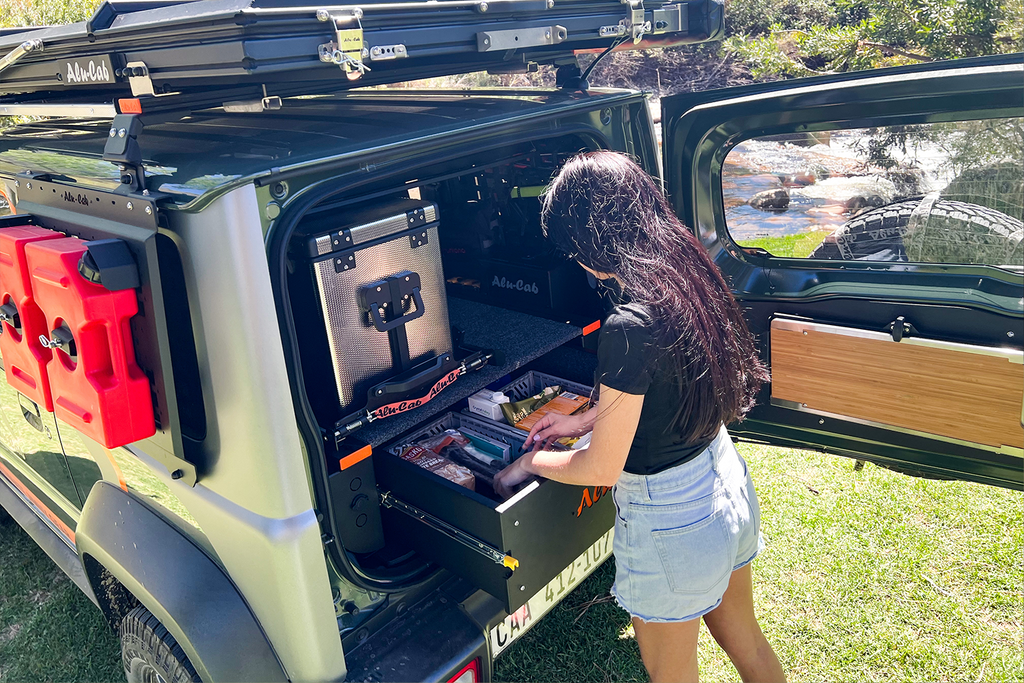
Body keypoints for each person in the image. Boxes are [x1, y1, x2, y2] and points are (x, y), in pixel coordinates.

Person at [494, 151, 785, 683]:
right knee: (747, 643)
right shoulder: (691, 271)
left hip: (674, 522)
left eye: (573, 250)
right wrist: (582, 422)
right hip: (726, 483)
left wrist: (534, 462)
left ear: (591, 246)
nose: (577, 264)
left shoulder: (629, 325)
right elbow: (666, 388)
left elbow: (600, 471)